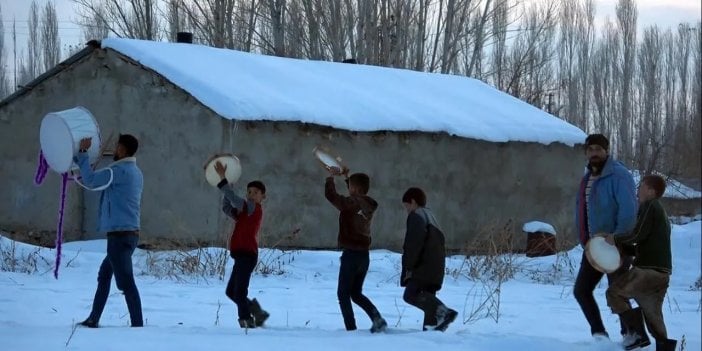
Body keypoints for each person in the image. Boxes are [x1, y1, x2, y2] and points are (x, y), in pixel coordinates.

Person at [574, 133, 637, 339]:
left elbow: (628, 211)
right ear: (586, 152)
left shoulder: (619, 175)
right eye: (590, 149)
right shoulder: (587, 179)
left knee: (617, 292)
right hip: (594, 246)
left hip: (617, 245)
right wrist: (585, 240)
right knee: (581, 291)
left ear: (607, 151)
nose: (594, 153)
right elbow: (583, 211)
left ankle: (632, 334)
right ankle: (599, 335)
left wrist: (618, 238)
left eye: (598, 149)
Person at [603, 175, 677, 351]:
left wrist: (615, 239)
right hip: (662, 273)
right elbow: (647, 243)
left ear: (651, 191)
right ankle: (664, 347)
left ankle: (637, 335)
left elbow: (637, 235)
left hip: (647, 270)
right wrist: (626, 250)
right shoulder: (662, 213)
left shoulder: (650, 205)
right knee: (652, 314)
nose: (637, 191)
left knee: (614, 294)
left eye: (641, 187)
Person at [77, 134, 144, 328]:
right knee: (105, 275)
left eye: (117, 146)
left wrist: (82, 153)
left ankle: (138, 327)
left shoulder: (118, 172)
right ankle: (93, 319)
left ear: (123, 149)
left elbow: (89, 180)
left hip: (119, 236)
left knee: (126, 283)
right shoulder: (136, 172)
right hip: (129, 234)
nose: (115, 149)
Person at [325, 165, 387, 333]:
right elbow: (354, 196)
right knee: (356, 293)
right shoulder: (366, 204)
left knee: (343, 294)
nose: (349, 189)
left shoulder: (352, 203)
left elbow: (332, 196)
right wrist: (347, 177)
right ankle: (377, 319)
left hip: (351, 254)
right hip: (364, 256)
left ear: (356, 189)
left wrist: (331, 178)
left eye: (350, 186)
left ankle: (350, 329)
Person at [214, 161, 270, 328]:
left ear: (262, 197)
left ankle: (246, 321)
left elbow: (233, 198)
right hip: (241, 257)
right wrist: (228, 185)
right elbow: (226, 207)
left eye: (256, 192)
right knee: (231, 292)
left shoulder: (254, 209)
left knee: (239, 292)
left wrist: (224, 179)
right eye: (249, 192)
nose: (251, 194)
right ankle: (258, 312)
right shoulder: (243, 214)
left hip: (248, 255)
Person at [400, 187, 458, 331]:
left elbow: (413, 244)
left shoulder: (416, 216)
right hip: (435, 268)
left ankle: (444, 312)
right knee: (428, 305)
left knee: (410, 295)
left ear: (413, 202)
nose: (406, 210)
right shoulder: (431, 217)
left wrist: (409, 266)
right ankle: (431, 336)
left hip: (423, 267)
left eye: (406, 206)